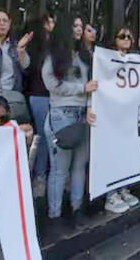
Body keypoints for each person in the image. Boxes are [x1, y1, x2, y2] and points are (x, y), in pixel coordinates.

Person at [42, 14, 97, 220]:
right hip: (61, 116)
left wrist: (90, 105)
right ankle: (54, 214)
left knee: (79, 167)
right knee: (59, 171)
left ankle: (76, 208)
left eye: (81, 26)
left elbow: (94, 85)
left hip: (83, 116)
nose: (79, 29)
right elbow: (51, 85)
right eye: (75, 25)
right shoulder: (54, 55)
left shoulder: (85, 55)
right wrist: (81, 88)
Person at [88, 25, 140, 213]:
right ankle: (111, 195)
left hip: (127, 116)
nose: (126, 39)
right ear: (114, 40)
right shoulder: (104, 60)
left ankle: (122, 188)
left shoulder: (135, 60)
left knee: (125, 152)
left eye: (129, 36)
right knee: (110, 153)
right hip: (109, 115)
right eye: (122, 36)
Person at [25, 13, 56, 198]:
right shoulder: (36, 46)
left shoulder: (56, 45)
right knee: (43, 139)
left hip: (54, 97)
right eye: (50, 21)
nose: (53, 24)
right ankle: (39, 177)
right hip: (40, 95)